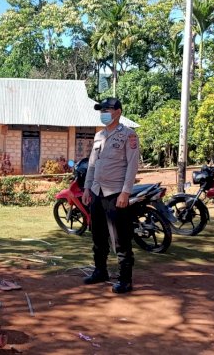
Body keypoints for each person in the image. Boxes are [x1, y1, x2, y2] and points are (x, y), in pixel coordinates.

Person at [81, 97, 140, 293]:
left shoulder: (128, 135)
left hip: (116, 193)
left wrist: (126, 192)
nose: (103, 113)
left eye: (107, 109)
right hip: (97, 192)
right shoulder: (99, 136)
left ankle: (125, 279)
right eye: (101, 110)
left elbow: (132, 165)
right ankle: (100, 270)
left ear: (118, 112)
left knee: (121, 238)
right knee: (98, 235)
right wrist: (87, 188)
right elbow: (91, 164)